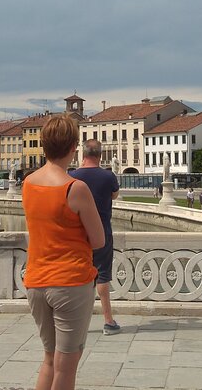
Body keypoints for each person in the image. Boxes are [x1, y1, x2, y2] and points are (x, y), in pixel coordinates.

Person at [22, 115, 105, 390]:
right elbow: (98, 240)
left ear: (43, 145)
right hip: (70, 281)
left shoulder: (28, 183)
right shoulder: (75, 189)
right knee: (67, 366)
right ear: (73, 148)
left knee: (49, 359)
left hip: (36, 282)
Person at [70, 139, 121, 335]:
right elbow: (114, 196)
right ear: (100, 155)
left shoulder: (72, 176)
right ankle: (108, 321)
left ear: (82, 156)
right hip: (102, 234)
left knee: (77, 278)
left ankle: (75, 323)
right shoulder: (108, 176)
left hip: (77, 235)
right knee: (102, 277)